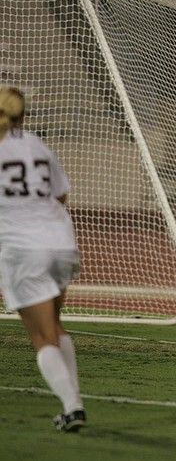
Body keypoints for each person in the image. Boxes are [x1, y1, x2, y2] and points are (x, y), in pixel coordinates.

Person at [0, 87, 85, 432]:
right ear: (23, 115)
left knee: (42, 337)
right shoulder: (36, 143)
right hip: (61, 242)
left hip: (23, 250)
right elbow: (62, 193)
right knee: (56, 326)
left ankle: (73, 406)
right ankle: (73, 402)